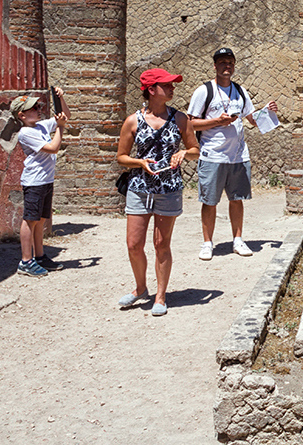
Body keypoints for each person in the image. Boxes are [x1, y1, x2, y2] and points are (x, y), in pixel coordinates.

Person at [115, 69, 199, 316]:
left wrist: (184, 153)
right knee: (133, 244)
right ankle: (141, 288)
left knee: (161, 244)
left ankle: (160, 296)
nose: (173, 88)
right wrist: (140, 163)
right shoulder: (133, 121)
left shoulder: (181, 119)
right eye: (167, 85)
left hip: (168, 189)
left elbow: (195, 149)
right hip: (139, 188)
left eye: (173, 84)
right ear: (151, 90)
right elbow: (121, 157)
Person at [187, 47, 279, 261]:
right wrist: (217, 122)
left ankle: (237, 240)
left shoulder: (240, 91)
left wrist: (268, 110)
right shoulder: (204, 91)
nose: (226, 66)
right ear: (215, 66)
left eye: (230, 62)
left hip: (238, 155)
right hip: (212, 155)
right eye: (222, 62)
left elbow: (253, 120)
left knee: (237, 199)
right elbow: (190, 124)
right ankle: (207, 243)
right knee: (210, 201)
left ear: (234, 65)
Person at [11, 88, 70, 277]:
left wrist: (61, 98)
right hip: (34, 181)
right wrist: (60, 127)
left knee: (41, 219)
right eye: (33, 108)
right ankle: (26, 261)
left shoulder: (41, 125)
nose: (38, 109)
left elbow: (66, 115)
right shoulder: (25, 132)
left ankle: (40, 256)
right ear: (22, 115)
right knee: (30, 220)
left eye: (37, 106)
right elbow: (53, 148)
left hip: (46, 180)